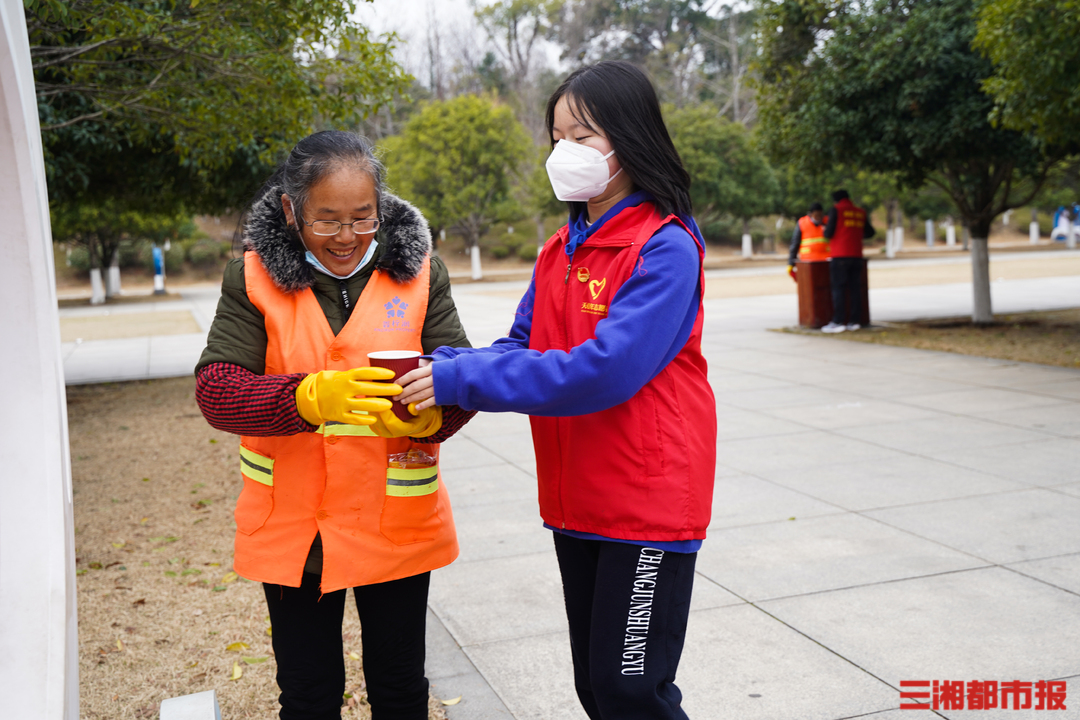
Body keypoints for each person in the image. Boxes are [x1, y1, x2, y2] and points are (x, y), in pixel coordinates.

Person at [397, 61, 716, 720]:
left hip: (647, 506)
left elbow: (605, 369)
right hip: (580, 501)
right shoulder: (558, 251)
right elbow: (522, 346)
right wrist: (443, 370)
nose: (565, 152)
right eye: (557, 137)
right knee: (598, 689)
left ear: (629, 140)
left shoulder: (665, 248)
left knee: (633, 690)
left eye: (584, 136)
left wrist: (464, 377)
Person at [194, 130, 474, 720]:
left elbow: (461, 374)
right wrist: (308, 397)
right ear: (292, 210)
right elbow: (217, 393)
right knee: (307, 692)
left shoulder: (422, 273)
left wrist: (435, 410)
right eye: (327, 221)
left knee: (399, 690)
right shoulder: (250, 279)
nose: (347, 237)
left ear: (381, 206)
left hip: (395, 523)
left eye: (362, 218)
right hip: (297, 531)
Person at [821, 189, 875, 333]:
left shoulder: (836, 210)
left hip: (840, 255)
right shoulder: (860, 212)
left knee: (839, 288)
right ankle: (854, 321)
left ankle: (838, 322)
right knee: (855, 289)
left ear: (836, 200)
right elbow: (870, 232)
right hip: (857, 255)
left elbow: (828, 233)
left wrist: (824, 230)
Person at [786, 201, 828, 280]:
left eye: (820, 215)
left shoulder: (828, 222)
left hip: (826, 262)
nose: (818, 217)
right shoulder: (802, 223)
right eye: (816, 215)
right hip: (808, 263)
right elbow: (795, 243)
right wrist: (790, 263)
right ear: (811, 214)